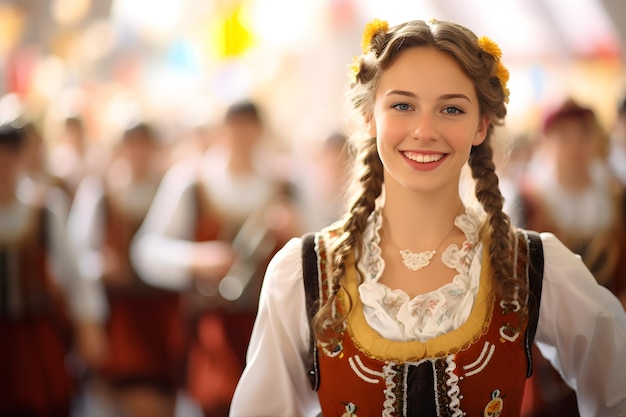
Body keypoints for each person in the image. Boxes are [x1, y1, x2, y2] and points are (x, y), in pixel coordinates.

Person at [229, 18, 626, 417]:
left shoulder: (532, 265)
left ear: (481, 126)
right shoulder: (303, 273)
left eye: (451, 109)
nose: (424, 130)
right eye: (402, 105)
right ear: (370, 117)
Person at [131, 100, 301, 416]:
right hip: (212, 328)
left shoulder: (286, 184)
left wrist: (298, 229)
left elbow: (327, 246)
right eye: (234, 127)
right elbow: (146, 251)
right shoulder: (191, 182)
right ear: (221, 131)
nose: (241, 136)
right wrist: (196, 259)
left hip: (273, 329)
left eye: (249, 127)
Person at [68, 122, 185, 417]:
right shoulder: (101, 192)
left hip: (164, 312)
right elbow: (76, 253)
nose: (138, 152)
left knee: (164, 393)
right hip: (120, 313)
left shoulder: (170, 188)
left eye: (145, 144)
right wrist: (100, 266)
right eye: (132, 144)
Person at [0, 119, 108, 416]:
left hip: (33, 335)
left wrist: (88, 323)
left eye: (10, 155)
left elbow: (74, 270)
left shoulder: (44, 206)